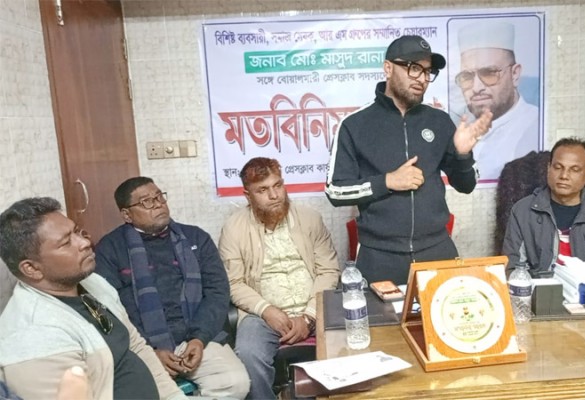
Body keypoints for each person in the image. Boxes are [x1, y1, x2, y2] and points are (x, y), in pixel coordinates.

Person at [326, 35, 493, 285]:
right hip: (379, 257)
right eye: (414, 68)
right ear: (388, 68)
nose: (422, 79)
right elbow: (335, 191)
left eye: (427, 71)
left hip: (437, 251)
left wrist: (462, 155)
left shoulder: (440, 121)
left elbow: (466, 185)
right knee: (379, 314)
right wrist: (387, 182)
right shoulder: (355, 125)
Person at [0, 197, 185, 399]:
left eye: (77, 232)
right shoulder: (33, 338)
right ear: (32, 268)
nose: (85, 242)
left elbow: (136, 346)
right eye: (66, 242)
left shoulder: (93, 283)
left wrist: (174, 397)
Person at [94, 177, 249, 398]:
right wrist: (150, 350)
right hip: (143, 347)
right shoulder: (109, 249)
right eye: (146, 201)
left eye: (159, 197)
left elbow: (217, 292)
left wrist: (199, 338)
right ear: (127, 215)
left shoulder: (196, 238)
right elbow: (110, 308)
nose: (158, 204)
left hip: (196, 340)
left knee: (235, 383)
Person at [219, 157, 340, 400]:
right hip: (261, 315)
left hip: (315, 307)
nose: (274, 195)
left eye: (278, 185)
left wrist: (309, 316)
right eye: (262, 190)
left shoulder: (309, 218)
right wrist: (266, 310)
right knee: (249, 354)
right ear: (247, 195)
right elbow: (233, 282)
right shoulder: (234, 228)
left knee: (353, 345)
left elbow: (328, 270)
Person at [503, 137, 585, 277]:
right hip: (541, 289)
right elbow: (513, 269)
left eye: (574, 169)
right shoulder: (522, 211)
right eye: (558, 167)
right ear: (549, 168)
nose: (564, 175)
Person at [450, 21, 540, 181]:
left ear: (515, 74)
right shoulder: (457, 128)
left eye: (489, 73)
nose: (476, 88)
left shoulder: (534, 125)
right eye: (467, 77)